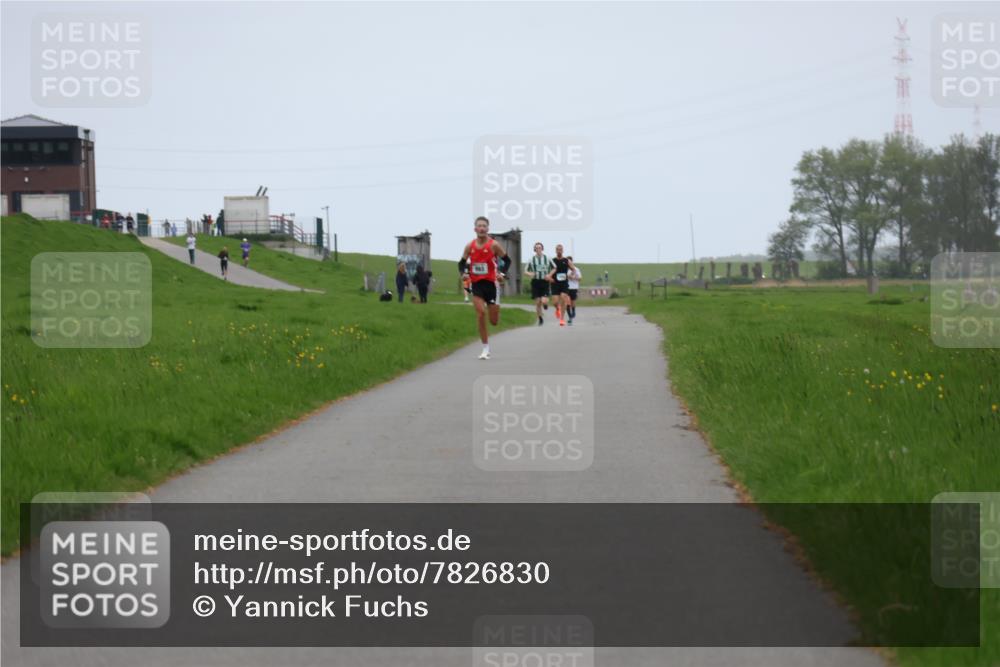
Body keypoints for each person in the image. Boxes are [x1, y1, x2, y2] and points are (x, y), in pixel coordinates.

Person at [459, 216, 510, 360]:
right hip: (477, 285)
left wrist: (502, 274)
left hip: (492, 285)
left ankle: (494, 308)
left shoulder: (494, 245)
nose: (481, 228)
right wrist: (463, 273)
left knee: (493, 321)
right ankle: (485, 348)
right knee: (481, 313)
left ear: (488, 229)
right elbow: (461, 263)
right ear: (475, 229)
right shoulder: (470, 246)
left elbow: (507, 261)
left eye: (484, 226)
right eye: (479, 226)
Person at [546, 244, 577, 327]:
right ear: (555, 251)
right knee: (555, 302)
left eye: (560, 249)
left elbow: (573, 269)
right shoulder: (552, 261)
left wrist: (572, 274)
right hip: (554, 283)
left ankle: (562, 319)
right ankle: (557, 309)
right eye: (557, 249)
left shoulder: (567, 260)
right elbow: (547, 271)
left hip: (564, 283)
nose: (559, 251)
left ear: (563, 251)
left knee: (563, 298)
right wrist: (549, 278)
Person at [524, 242, 553, 326]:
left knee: (543, 301)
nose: (538, 249)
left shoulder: (547, 258)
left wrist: (549, 275)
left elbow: (554, 268)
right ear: (535, 249)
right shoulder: (531, 259)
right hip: (535, 282)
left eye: (540, 247)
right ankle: (540, 319)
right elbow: (525, 271)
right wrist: (530, 274)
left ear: (542, 249)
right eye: (536, 248)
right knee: (537, 302)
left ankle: (545, 304)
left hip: (544, 281)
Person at [566, 257, 582, 325]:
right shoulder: (565, 269)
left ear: (572, 262)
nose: (569, 263)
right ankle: (570, 317)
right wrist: (569, 276)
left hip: (574, 287)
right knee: (567, 302)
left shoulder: (577, 269)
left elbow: (580, 278)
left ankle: (573, 311)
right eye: (568, 262)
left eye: (570, 262)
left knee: (573, 302)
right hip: (566, 288)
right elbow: (566, 277)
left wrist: (575, 277)